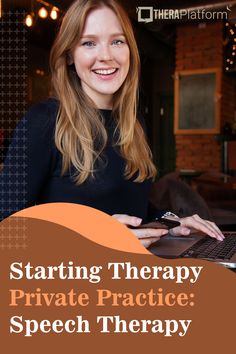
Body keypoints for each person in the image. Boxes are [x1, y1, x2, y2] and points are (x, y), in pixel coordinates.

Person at [0, 0, 224, 247]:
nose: (106, 56)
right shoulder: (42, 121)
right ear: (70, 55)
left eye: (117, 41)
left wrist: (172, 222)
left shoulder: (133, 124)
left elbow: (133, 209)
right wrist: (97, 235)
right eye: (88, 43)